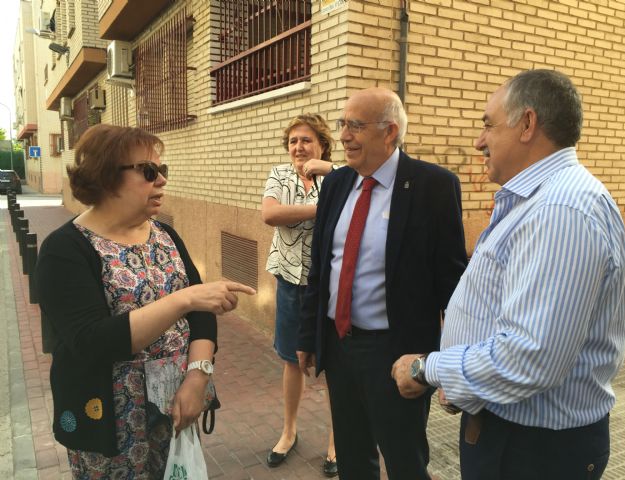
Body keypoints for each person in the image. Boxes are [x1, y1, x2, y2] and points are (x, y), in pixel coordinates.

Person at [392, 69, 625, 480]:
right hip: (514, 435)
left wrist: (427, 368)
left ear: (527, 124)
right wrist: (465, 383)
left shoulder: (561, 210)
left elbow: (530, 356)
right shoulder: (538, 201)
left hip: (533, 450)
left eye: (488, 125)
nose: (479, 141)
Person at [35, 124, 255, 479]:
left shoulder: (165, 235)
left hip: (175, 407)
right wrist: (183, 300)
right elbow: (93, 342)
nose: (162, 181)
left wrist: (197, 378)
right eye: (149, 172)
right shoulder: (65, 250)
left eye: (162, 171)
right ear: (106, 178)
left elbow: (201, 316)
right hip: (112, 425)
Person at [297, 87, 468, 480]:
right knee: (353, 459)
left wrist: (452, 365)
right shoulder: (338, 184)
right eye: (343, 125)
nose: (343, 136)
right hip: (340, 347)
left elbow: (452, 282)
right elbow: (320, 268)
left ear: (390, 132)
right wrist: (309, 337)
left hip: (396, 353)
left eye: (355, 126)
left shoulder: (433, 186)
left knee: (405, 460)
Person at [262, 113, 338, 476]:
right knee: (292, 359)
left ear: (321, 144)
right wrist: (322, 209)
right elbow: (271, 215)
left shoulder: (337, 177)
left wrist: (330, 172)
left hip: (329, 287)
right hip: (291, 283)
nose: (298, 147)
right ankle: (289, 430)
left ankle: (337, 441)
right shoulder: (280, 175)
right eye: (293, 141)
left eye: (306, 140)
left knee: (335, 362)